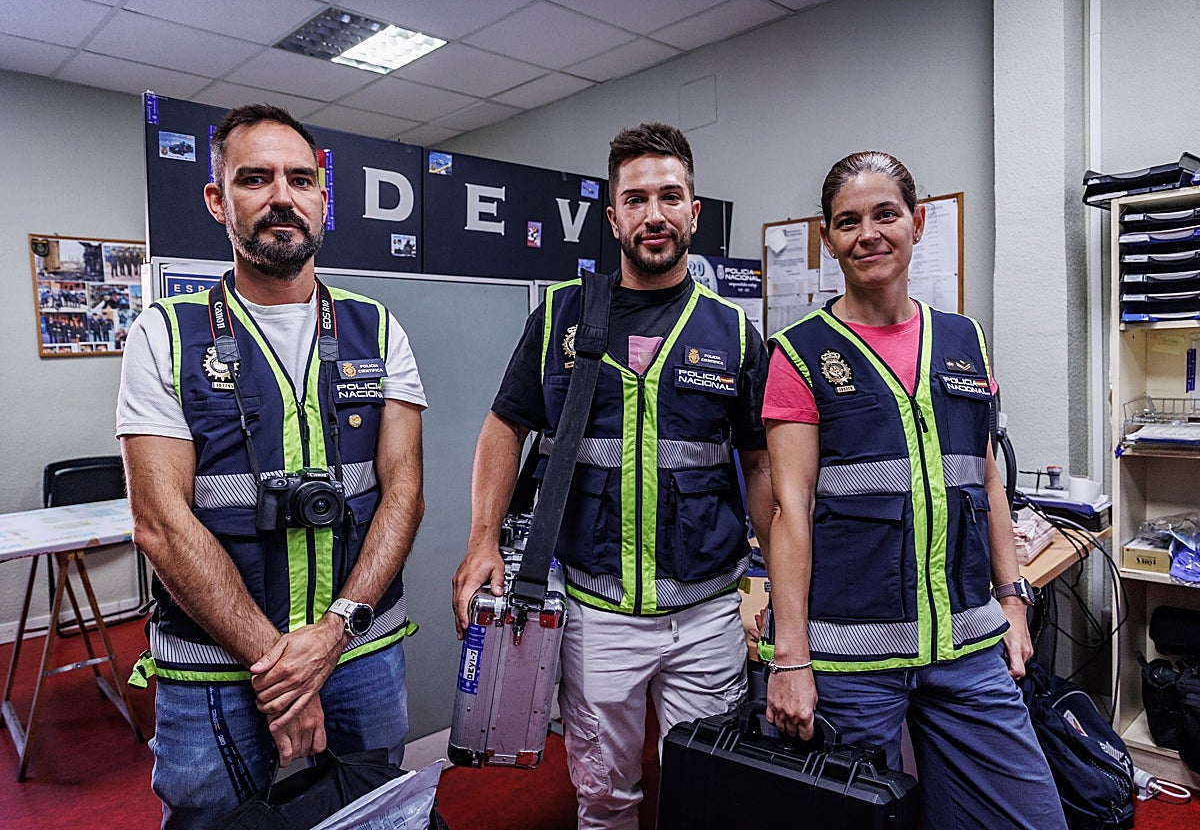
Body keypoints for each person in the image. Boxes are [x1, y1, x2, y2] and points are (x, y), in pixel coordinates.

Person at [452, 122, 772, 829]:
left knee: (705, 794)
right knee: (604, 799)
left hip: (707, 614)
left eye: (670, 196)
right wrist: (481, 539)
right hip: (598, 616)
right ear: (613, 217)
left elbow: (758, 462)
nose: (654, 214)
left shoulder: (735, 333)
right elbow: (505, 426)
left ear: (694, 210)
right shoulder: (563, 315)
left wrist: (778, 584)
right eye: (636, 199)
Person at [116, 104, 427, 830]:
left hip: (360, 650)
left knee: (375, 816)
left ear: (323, 199)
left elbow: (403, 493)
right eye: (255, 179)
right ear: (218, 200)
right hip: (213, 670)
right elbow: (159, 524)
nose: (281, 196)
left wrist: (332, 636)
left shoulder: (377, 329)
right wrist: (283, 667)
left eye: (301, 179)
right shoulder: (165, 334)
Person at [762, 151, 1067, 829]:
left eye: (885, 214)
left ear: (917, 223)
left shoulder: (966, 341)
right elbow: (791, 512)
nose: (867, 233)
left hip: (966, 646)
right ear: (828, 237)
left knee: (1031, 818)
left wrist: (1014, 601)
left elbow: (985, 478)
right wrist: (789, 659)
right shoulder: (799, 353)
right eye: (847, 221)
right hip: (851, 658)